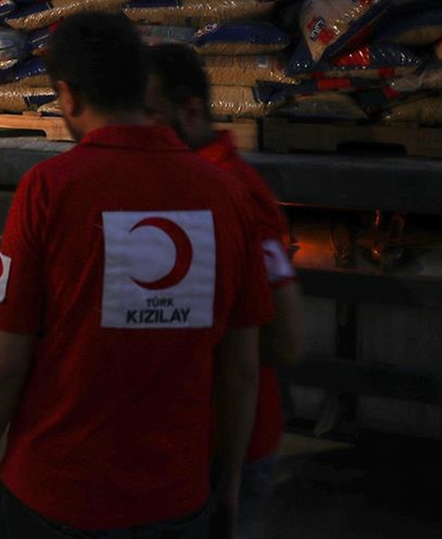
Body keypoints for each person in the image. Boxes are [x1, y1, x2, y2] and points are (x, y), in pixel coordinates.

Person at [0, 12, 269, 539]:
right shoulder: (227, 194)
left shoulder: (49, 189)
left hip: (54, 493)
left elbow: (6, 357)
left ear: (68, 97)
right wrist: (231, 475)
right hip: (175, 497)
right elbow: (241, 367)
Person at [146, 43, 306, 534]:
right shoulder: (190, 183)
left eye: (149, 115)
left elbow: (283, 341)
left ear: (189, 112)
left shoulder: (232, 192)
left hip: (225, 446)